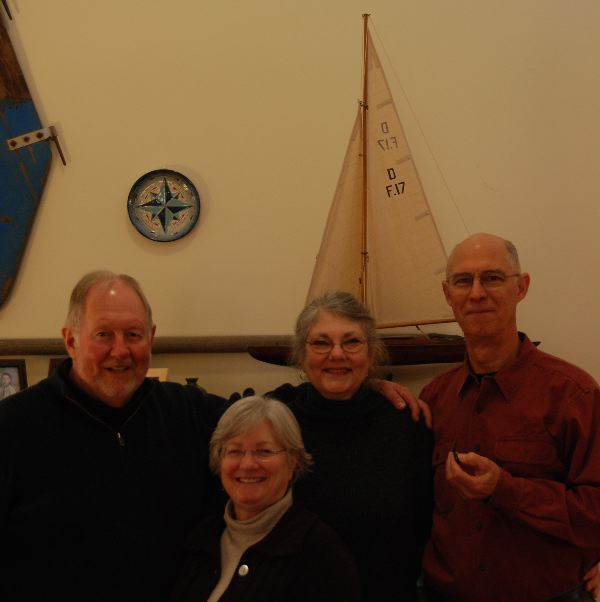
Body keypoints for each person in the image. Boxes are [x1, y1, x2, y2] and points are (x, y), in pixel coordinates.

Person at [0, 271, 227, 601]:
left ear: (151, 337)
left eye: (133, 334)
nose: (120, 351)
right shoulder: (12, 427)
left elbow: (271, 434)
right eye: (103, 334)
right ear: (70, 340)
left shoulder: (192, 414)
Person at [419, 233, 600, 602]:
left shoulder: (573, 394)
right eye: (463, 281)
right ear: (447, 294)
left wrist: (505, 489)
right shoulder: (434, 398)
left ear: (522, 287)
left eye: (493, 278)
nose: (477, 293)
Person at [268, 291, 433, 601]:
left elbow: (424, 524)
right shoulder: (275, 421)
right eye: (320, 342)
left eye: (352, 342)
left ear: (372, 355)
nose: (337, 354)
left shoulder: (407, 423)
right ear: (300, 356)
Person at [171, 395, 361, 602]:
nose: (247, 465)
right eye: (234, 451)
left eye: (264, 451)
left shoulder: (320, 552)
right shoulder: (201, 538)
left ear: (292, 463)